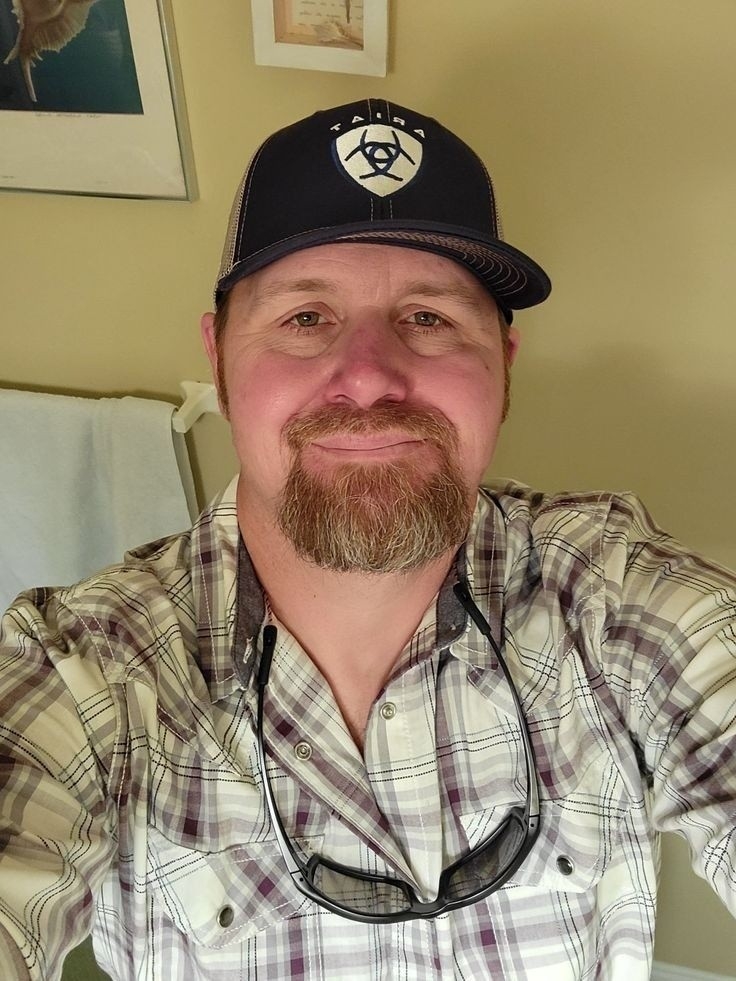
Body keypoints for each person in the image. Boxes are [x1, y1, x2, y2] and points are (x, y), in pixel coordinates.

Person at [0, 98, 734, 981]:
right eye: (306, 318)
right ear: (220, 361)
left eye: (428, 317)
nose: (369, 377)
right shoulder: (83, 672)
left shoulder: (613, 599)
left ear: (503, 367)